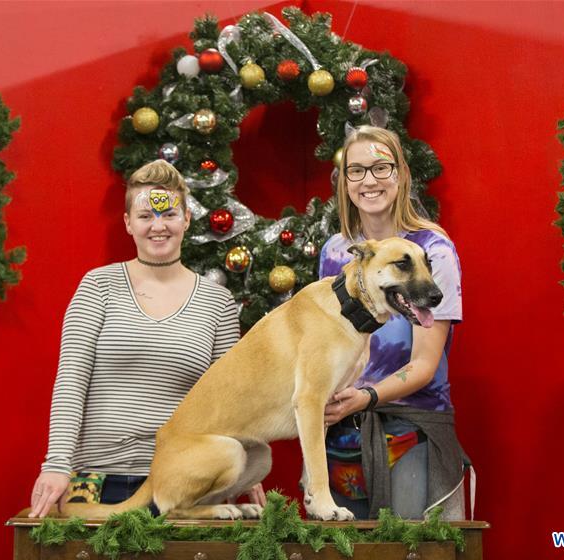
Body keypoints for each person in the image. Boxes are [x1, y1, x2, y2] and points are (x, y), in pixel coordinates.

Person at [29, 160, 264, 518]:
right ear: (128, 223)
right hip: (95, 477)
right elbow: (71, 379)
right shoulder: (98, 287)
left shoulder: (217, 303)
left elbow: (227, 400)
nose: (158, 226)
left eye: (169, 214)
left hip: (183, 481)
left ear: (186, 219)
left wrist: (244, 467)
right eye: (145, 216)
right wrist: (57, 463)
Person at [318, 126, 468, 520]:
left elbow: (424, 365)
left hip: (411, 432)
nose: (369, 181)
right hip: (342, 436)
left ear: (401, 174)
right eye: (356, 170)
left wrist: (367, 396)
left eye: (381, 168)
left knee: (409, 547)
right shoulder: (335, 253)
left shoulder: (431, 250)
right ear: (344, 181)